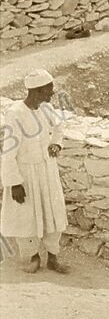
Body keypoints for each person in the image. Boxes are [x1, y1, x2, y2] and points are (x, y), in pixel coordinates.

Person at [1, 70, 69, 274]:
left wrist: (56, 144)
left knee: (53, 211)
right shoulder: (16, 114)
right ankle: (32, 256)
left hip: (47, 170)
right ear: (38, 91)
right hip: (26, 174)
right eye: (49, 89)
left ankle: (53, 256)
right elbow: (9, 151)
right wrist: (13, 183)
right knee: (27, 215)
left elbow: (59, 126)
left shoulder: (46, 108)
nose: (52, 93)